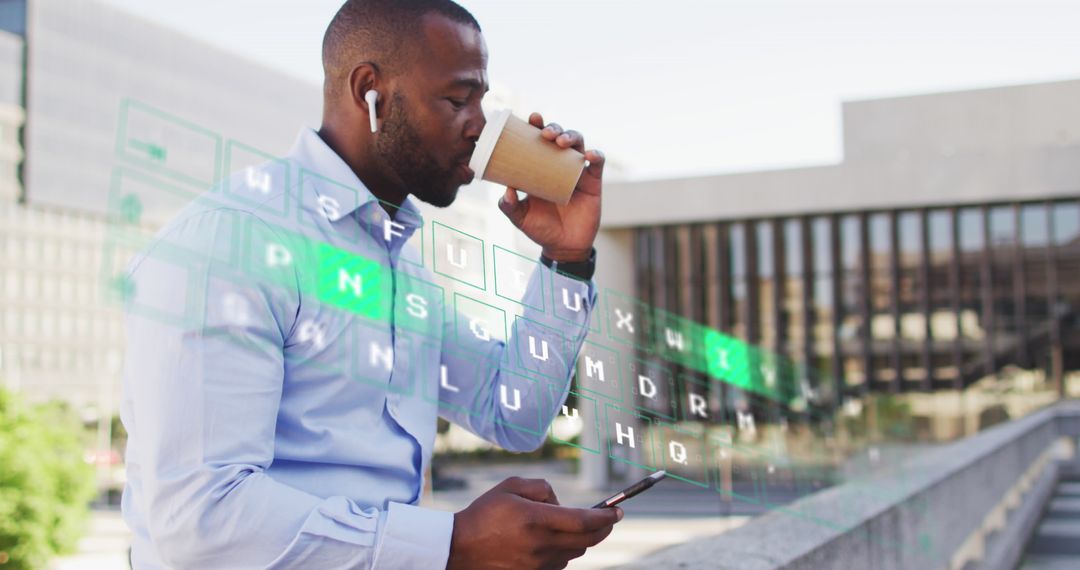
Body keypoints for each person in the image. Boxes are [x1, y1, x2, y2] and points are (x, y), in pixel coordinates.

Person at [119, 0, 620, 568]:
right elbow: (201, 521)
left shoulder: (398, 261)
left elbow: (515, 412)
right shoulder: (232, 243)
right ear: (369, 91)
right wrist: (453, 545)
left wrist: (565, 256)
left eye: (482, 100)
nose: (480, 126)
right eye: (458, 100)